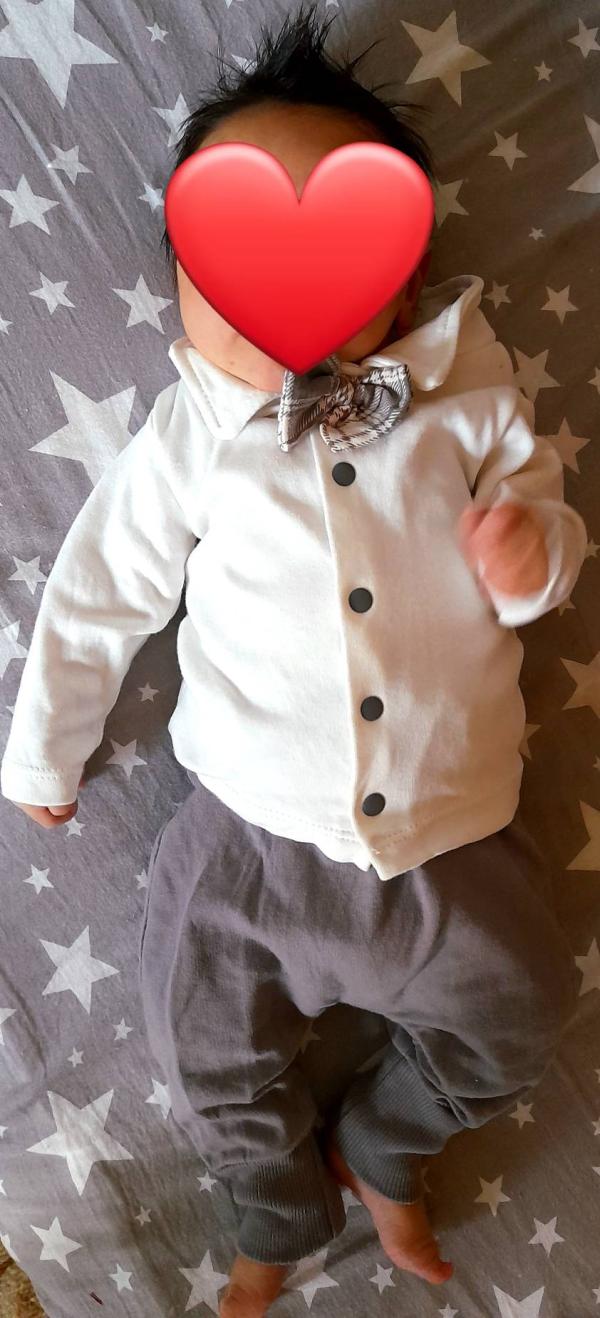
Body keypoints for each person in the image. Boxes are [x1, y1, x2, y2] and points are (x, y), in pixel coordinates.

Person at [1, 6, 586, 1316]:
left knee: (520, 1011)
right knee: (199, 1047)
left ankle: (387, 1140)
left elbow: (552, 541)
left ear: (401, 278)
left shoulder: (469, 400)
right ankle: (274, 1204)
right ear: (182, 288)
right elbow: (100, 585)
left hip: (451, 846)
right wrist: (47, 744)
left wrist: (524, 554)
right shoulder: (193, 432)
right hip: (244, 847)